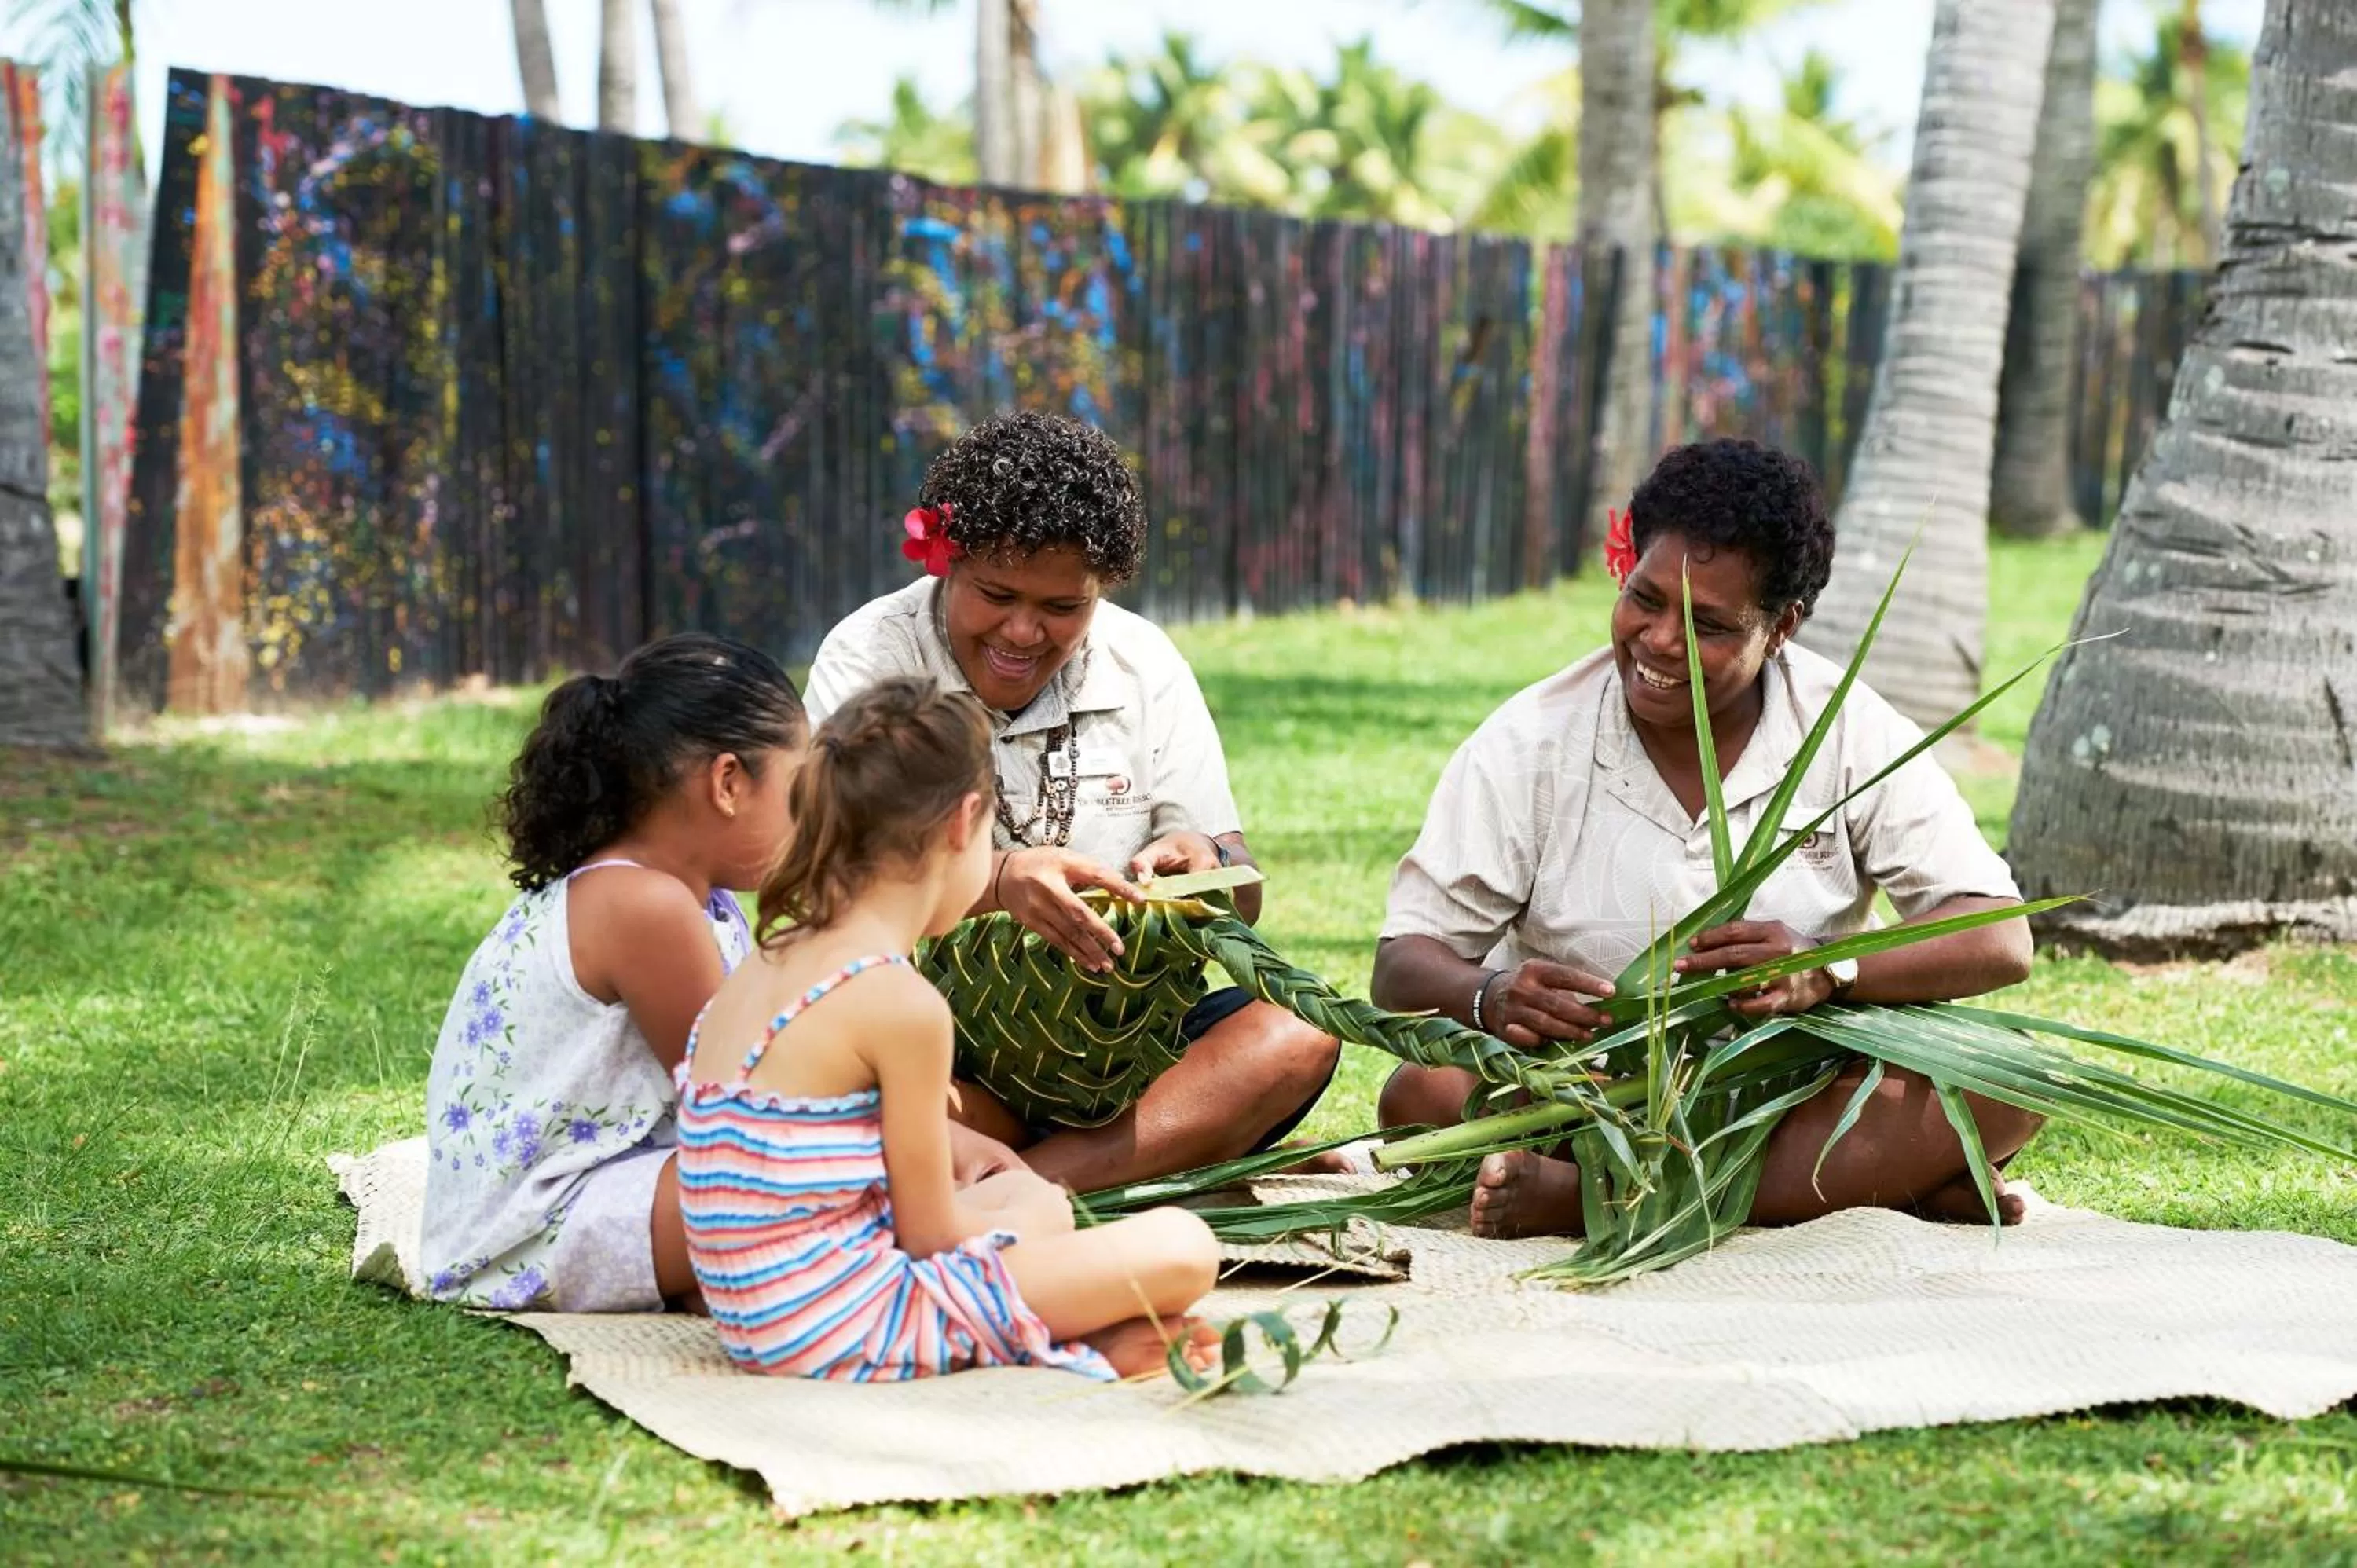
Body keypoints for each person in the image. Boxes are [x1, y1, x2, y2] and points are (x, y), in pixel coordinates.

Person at [1374, 438, 2037, 1239]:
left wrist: (1828, 968)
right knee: (1423, 1094)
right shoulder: (1530, 742)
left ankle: (1593, 1200)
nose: (1660, 641)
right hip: (1587, 1092)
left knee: (2013, 1079)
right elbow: (1402, 962)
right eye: (1645, 599)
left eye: (1709, 624)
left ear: (1782, 627)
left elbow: (2000, 936)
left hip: (1793, 1087)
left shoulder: (1846, 728)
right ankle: (1869, 1182)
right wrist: (1491, 994)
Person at [805, 411, 1340, 1192]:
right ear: (948, 560)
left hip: (1126, 1048)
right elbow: (833, 884)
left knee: (1298, 1033)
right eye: (996, 594)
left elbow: (1243, 890)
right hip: (944, 1052)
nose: (1024, 631)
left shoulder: (1142, 659)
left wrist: (1206, 863)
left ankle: (1015, 1188)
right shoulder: (869, 658)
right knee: (870, 1086)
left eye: (1063, 608)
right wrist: (999, 882)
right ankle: (1149, 1155)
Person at [676, 676, 1220, 1381]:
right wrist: (1023, 1223)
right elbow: (931, 1237)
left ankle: (1073, 1324)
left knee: (1038, 1204)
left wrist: (1027, 1214)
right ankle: (1058, 1332)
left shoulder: (766, 959)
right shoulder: (900, 1002)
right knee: (1183, 1245)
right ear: (965, 823)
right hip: (841, 1325)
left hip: (753, 1315)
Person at [421, 634, 807, 1312]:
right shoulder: (646, 907)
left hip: (611, 1184)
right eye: (798, 789)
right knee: (827, 1173)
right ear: (727, 783)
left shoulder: (688, 896)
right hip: (529, 1235)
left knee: (867, 1148)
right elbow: (742, 1100)